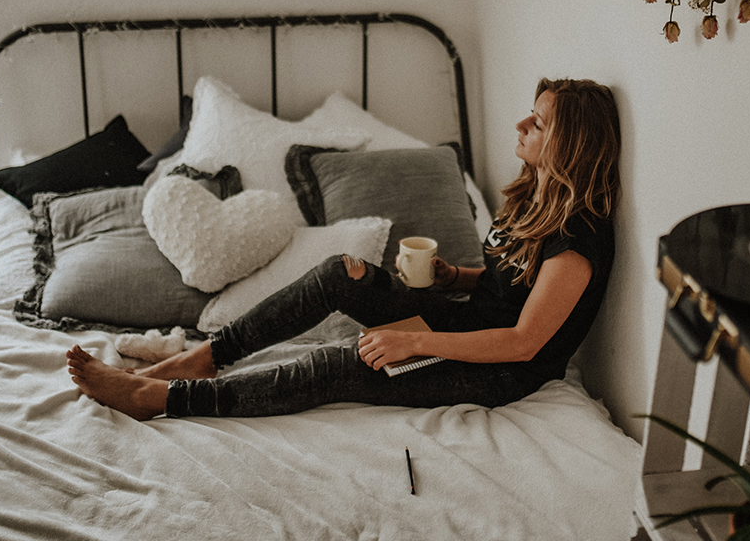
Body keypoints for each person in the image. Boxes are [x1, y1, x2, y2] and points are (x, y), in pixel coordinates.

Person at [66, 78, 622, 421]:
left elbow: (524, 342)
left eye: (539, 121)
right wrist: (458, 277)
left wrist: (409, 340)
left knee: (339, 364)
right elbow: (510, 287)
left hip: (496, 370)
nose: (521, 123)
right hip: (460, 324)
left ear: (567, 144)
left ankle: (162, 400)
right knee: (342, 274)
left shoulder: (578, 241)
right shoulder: (533, 199)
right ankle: (202, 359)